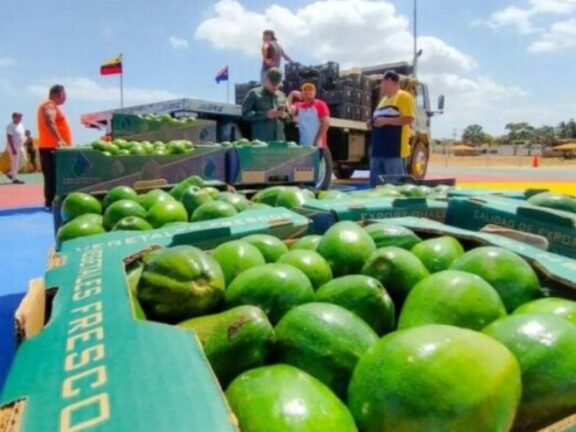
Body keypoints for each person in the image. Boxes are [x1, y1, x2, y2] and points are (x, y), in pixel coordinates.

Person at [368, 70, 415, 187]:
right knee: (376, 185)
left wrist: (385, 121)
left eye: (382, 82)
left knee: (395, 185)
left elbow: (408, 119)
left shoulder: (403, 96)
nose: (380, 85)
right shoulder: (383, 100)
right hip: (378, 151)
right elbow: (381, 118)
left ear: (389, 81)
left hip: (394, 151)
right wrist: (372, 122)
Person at [37, 84, 72, 209]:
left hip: (50, 147)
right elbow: (49, 121)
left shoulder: (52, 105)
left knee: (53, 176)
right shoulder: (49, 105)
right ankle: (52, 203)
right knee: (54, 176)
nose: (66, 97)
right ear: (57, 94)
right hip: (51, 147)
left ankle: (51, 202)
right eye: (64, 94)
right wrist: (60, 140)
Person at [242, 68, 288, 142]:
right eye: (272, 83)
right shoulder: (254, 93)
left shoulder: (282, 95)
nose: (274, 86)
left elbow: (289, 117)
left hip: (279, 141)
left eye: (277, 84)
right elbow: (245, 114)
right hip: (261, 142)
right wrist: (265, 114)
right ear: (266, 79)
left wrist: (284, 116)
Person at [287, 82, 330, 148]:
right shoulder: (299, 106)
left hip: (318, 145)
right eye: (305, 89)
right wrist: (292, 94)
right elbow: (288, 110)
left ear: (315, 93)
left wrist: (317, 139)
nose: (307, 91)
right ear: (301, 93)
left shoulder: (320, 104)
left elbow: (326, 122)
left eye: (310, 89)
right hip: (304, 146)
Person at [5, 112, 26, 184]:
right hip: (13, 147)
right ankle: (14, 178)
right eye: (18, 117)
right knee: (15, 162)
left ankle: (11, 173)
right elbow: (9, 137)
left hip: (20, 146)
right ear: (13, 117)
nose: (20, 118)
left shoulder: (21, 125)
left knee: (24, 160)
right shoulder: (10, 126)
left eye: (20, 117)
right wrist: (13, 148)